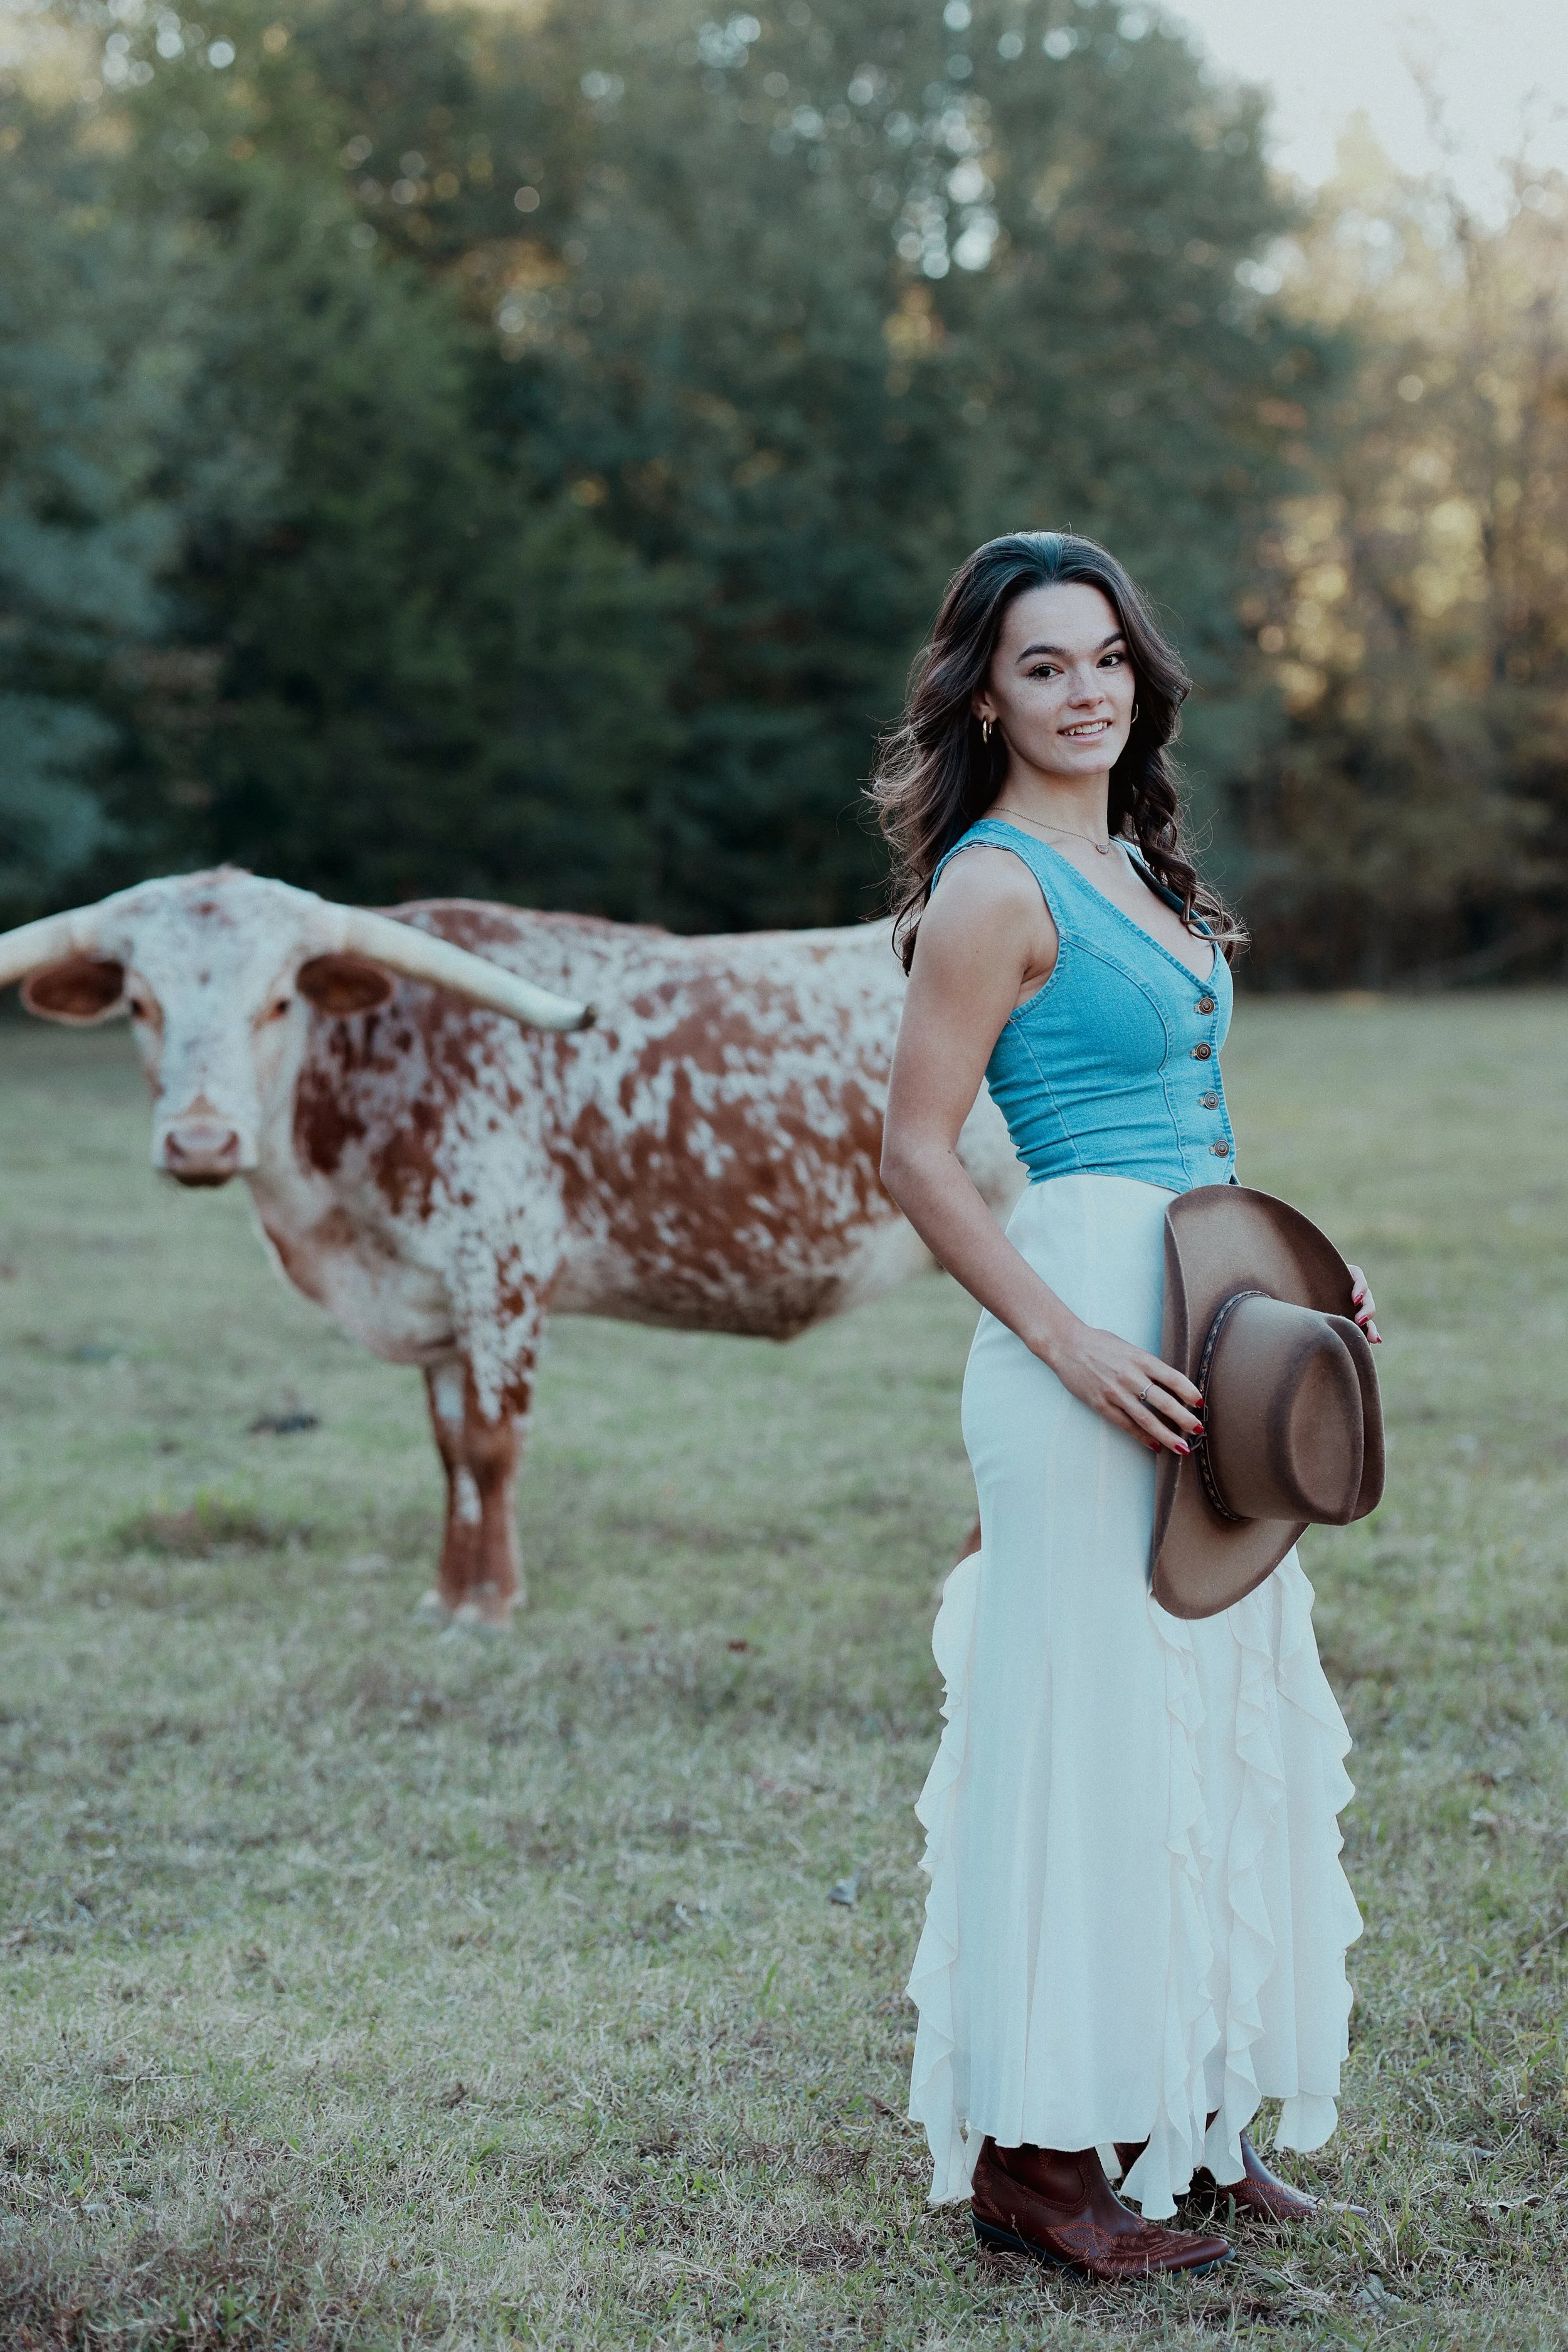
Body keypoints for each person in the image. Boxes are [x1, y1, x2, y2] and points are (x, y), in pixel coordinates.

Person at [872, 531, 1375, 2281]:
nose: (1081, 690)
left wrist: (1298, 1288)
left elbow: (1194, 1130)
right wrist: (1064, 1342)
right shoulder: (992, 890)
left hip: (1199, 1296)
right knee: (1083, 1719)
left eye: (1103, 660)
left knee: (1210, 1706)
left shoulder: (1154, 873)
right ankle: (1037, 2157)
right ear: (983, 693)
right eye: (1040, 665)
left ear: (1135, 681)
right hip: (1078, 1311)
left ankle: (1185, 2113)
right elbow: (916, 1150)